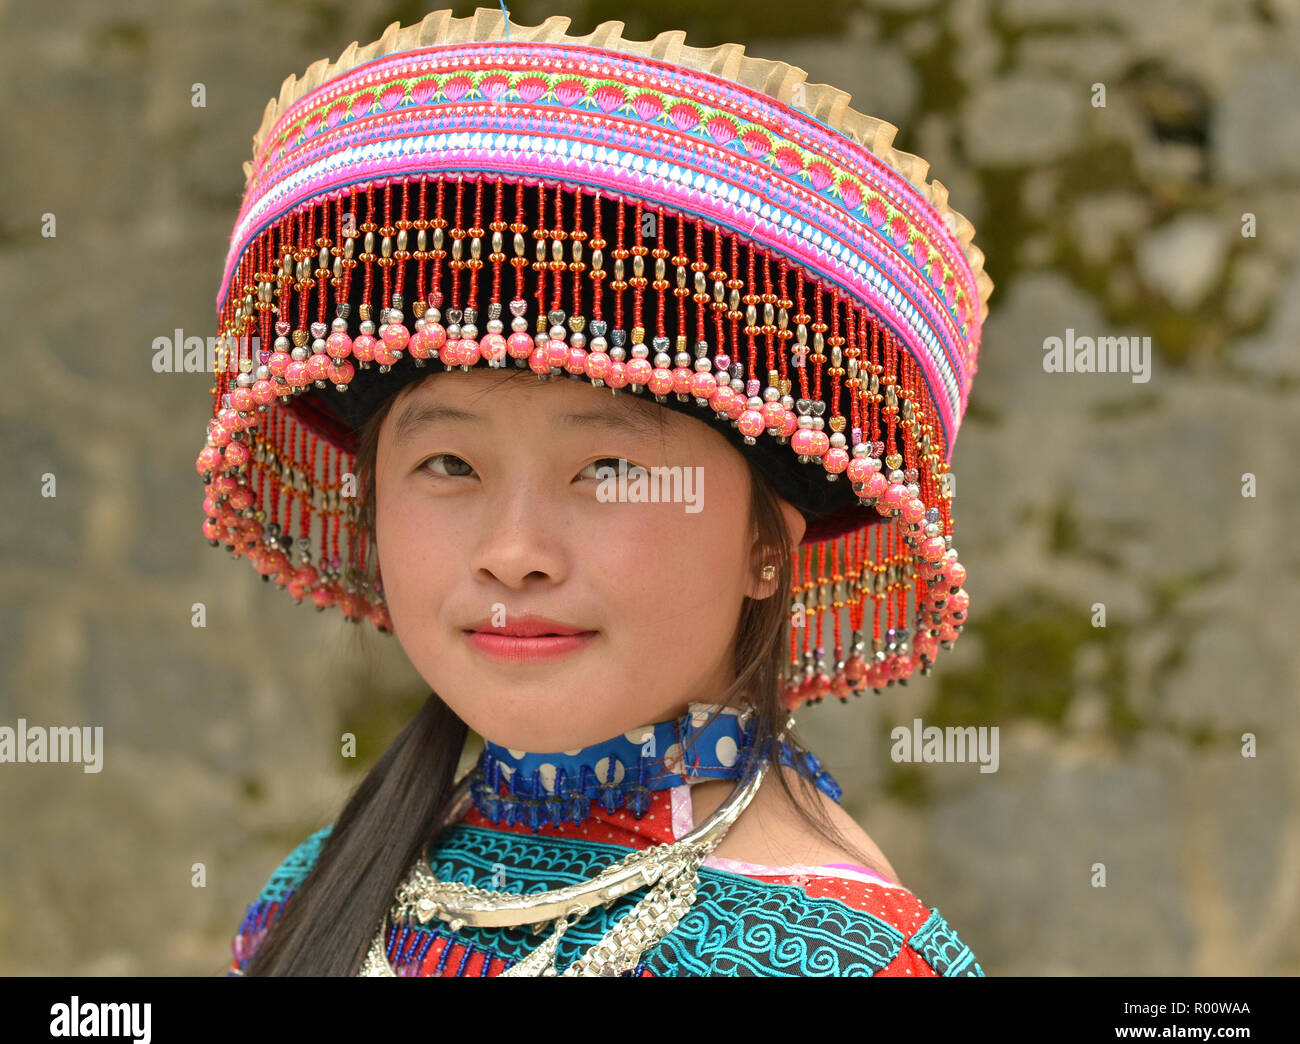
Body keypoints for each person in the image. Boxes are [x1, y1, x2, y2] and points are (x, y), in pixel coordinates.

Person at [205, 6, 991, 977]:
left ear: (766, 540)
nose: (512, 549)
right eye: (449, 464)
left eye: (608, 472)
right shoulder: (313, 897)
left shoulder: (854, 960)